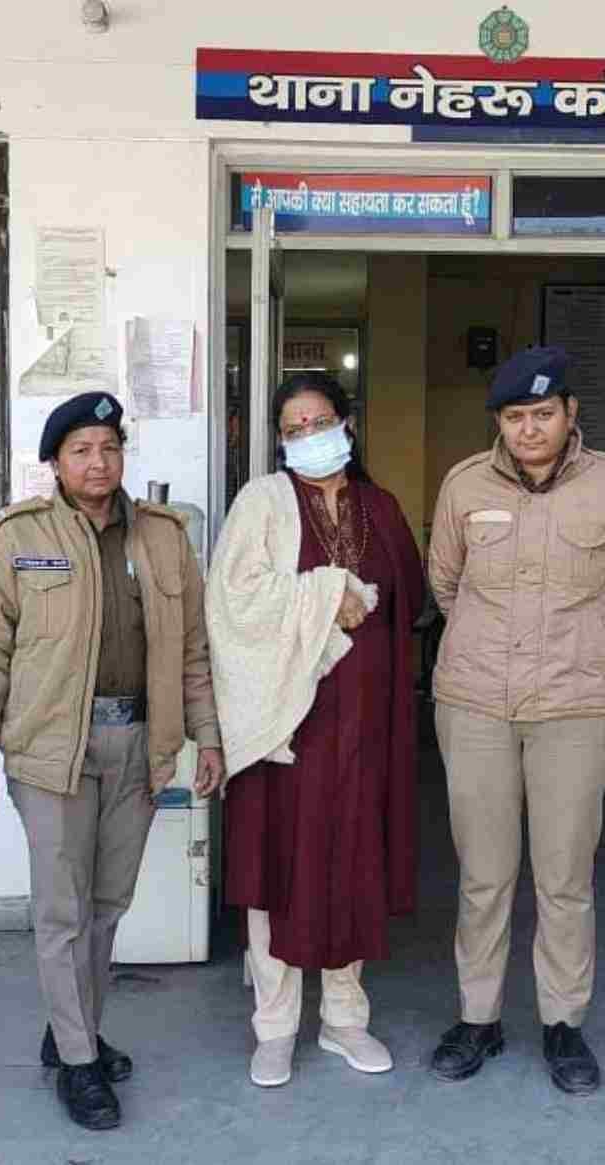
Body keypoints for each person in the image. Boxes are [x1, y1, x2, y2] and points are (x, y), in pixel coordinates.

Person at [0, 391, 224, 1131]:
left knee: (106, 909)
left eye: (109, 447)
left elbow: (191, 649)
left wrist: (207, 736)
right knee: (62, 912)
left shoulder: (164, 536)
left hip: (138, 744)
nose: (98, 462)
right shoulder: (14, 536)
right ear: (56, 463)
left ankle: (71, 1029)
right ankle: (79, 1061)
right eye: (81, 450)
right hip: (49, 753)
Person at [427, 347, 605, 1094]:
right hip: (476, 704)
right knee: (484, 874)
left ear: (570, 414)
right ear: (499, 421)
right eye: (515, 416)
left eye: (543, 414)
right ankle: (479, 1018)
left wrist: (584, 652)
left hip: (575, 708)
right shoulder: (464, 484)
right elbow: (446, 583)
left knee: (564, 876)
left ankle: (564, 1024)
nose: (529, 429)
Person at [206, 371, 424, 1089]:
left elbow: (413, 599)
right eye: (293, 428)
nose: (309, 436)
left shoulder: (380, 506)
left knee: (354, 859)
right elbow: (232, 599)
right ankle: (274, 1027)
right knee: (277, 868)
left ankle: (343, 1019)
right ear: (279, 440)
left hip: (365, 724)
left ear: (347, 424)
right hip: (285, 725)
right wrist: (329, 594)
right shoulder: (263, 502)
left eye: (320, 422)